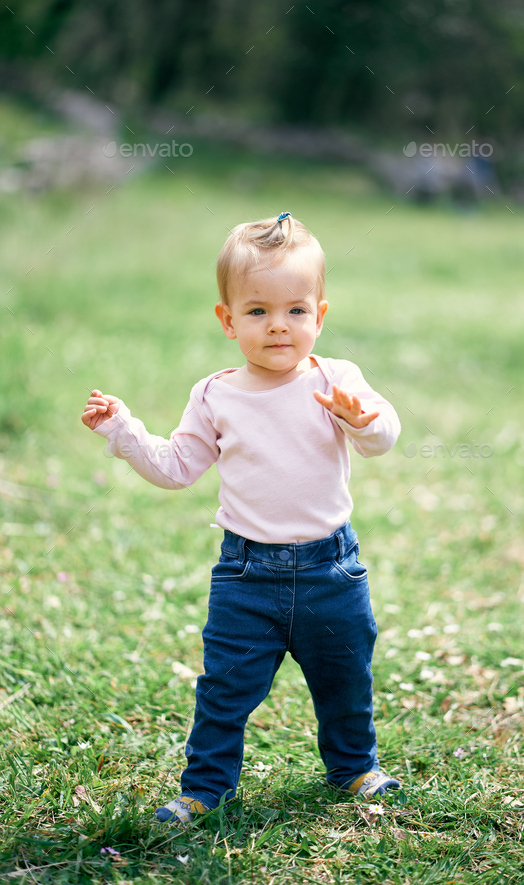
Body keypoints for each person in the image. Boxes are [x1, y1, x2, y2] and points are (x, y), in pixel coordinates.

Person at [81, 211, 402, 823]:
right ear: (228, 321)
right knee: (224, 690)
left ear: (320, 315)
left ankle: (355, 767)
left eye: (296, 311)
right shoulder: (215, 394)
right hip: (245, 576)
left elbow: (382, 436)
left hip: (331, 571)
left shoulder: (337, 381)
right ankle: (205, 788)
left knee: (345, 679)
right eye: (257, 312)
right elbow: (176, 467)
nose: (278, 326)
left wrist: (364, 421)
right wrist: (125, 431)